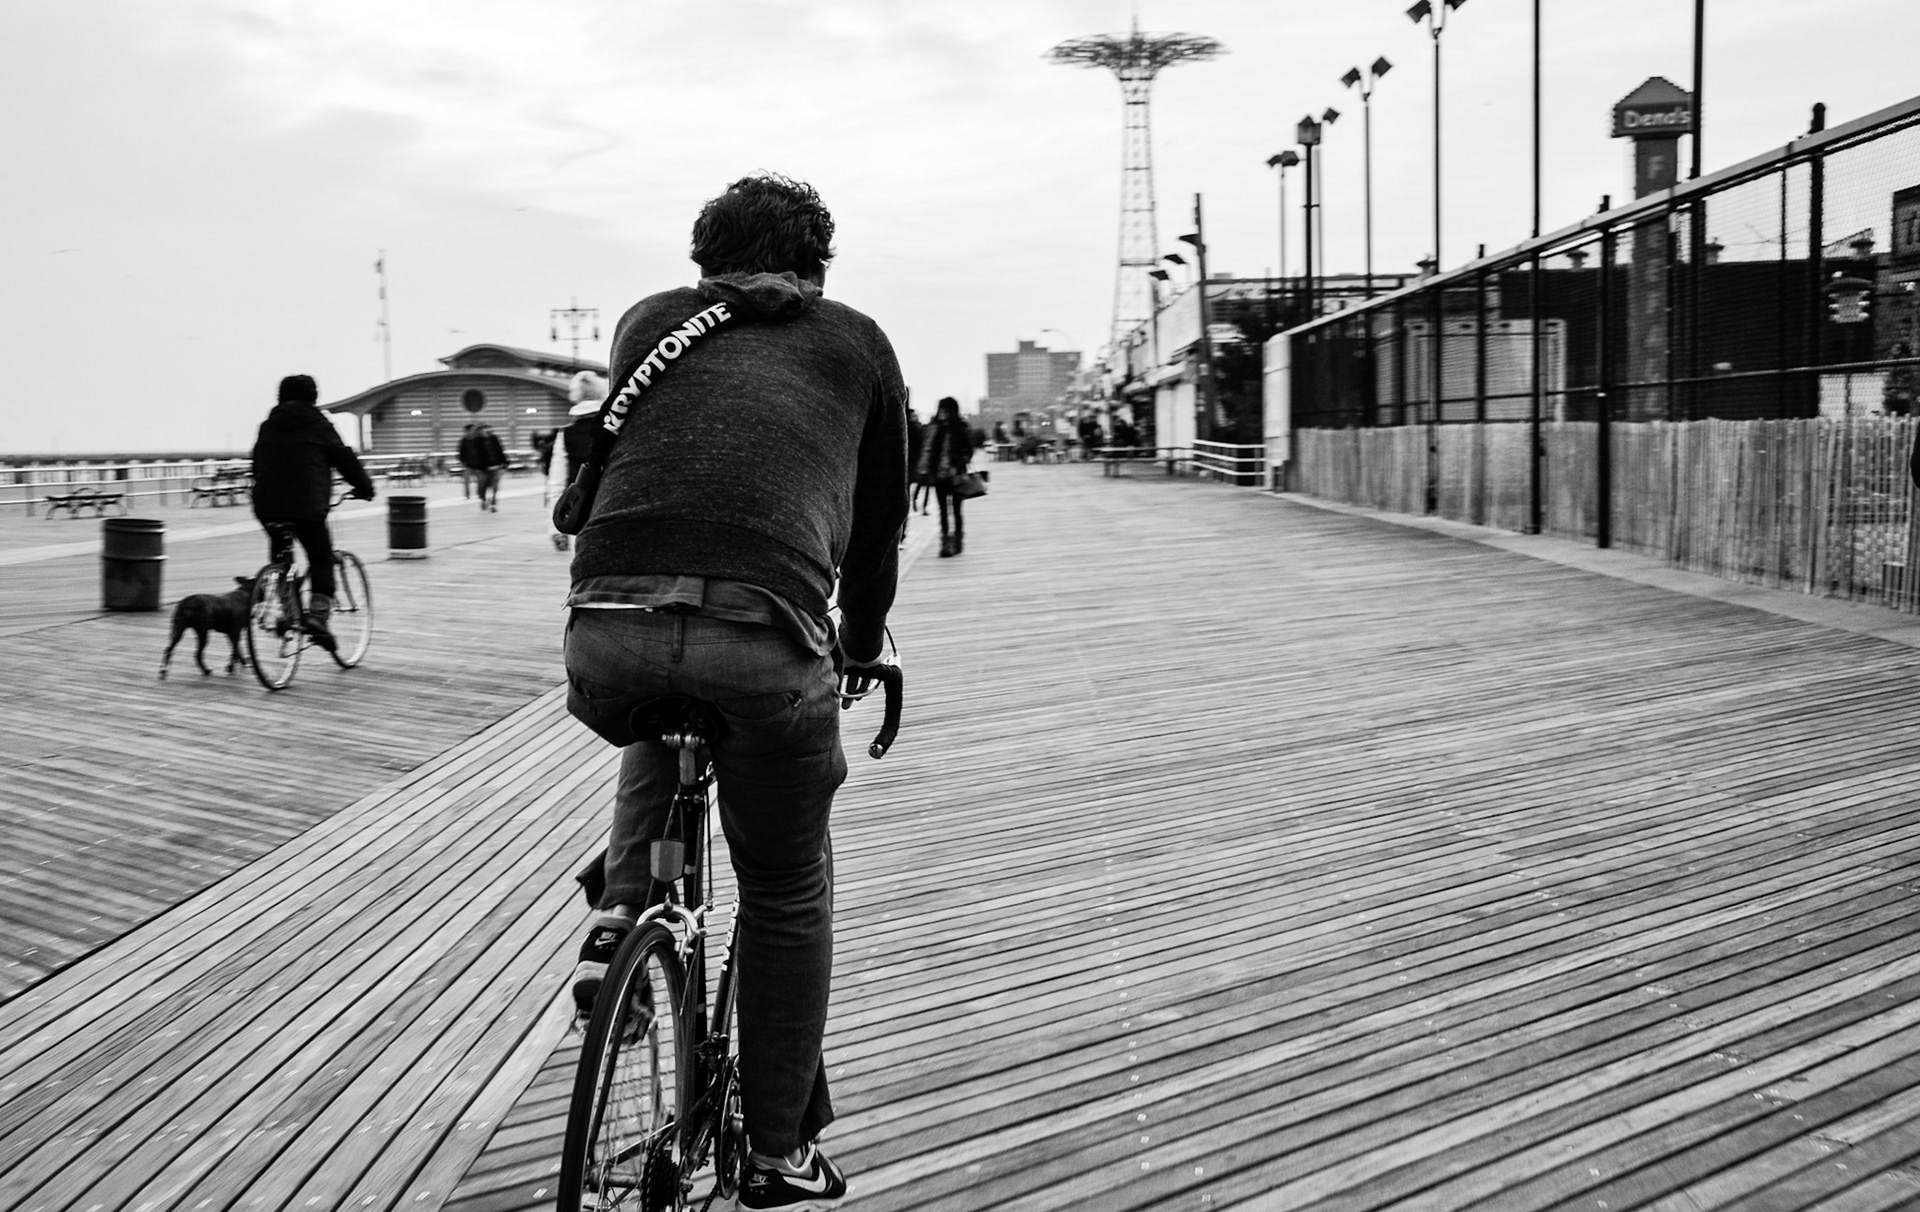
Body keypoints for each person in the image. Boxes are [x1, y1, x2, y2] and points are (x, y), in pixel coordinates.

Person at [562, 172, 905, 1208]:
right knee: (787, 882)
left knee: (662, 705)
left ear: (703, 261)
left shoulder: (648, 324)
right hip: (764, 642)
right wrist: (855, 641)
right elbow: (881, 526)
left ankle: (626, 913)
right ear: (815, 268)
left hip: (605, 631)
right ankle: (774, 1152)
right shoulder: (855, 343)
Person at [250, 374, 376, 651]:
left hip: (267, 506)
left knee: (282, 560)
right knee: (321, 559)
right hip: (307, 507)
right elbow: (344, 459)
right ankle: (317, 616)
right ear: (313, 398)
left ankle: (290, 612)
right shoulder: (319, 425)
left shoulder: (268, 426)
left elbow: (257, 461)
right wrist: (365, 488)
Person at [550, 371, 607, 550]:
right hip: (613, 505)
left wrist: (556, 528)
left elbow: (556, 483)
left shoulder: (566, 434)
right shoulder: (618, 427)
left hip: (581, 510)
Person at [917, 396, 973, 557]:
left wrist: (958, 463)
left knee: (956, 510)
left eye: (945, 410)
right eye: (940, 409)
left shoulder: (960, 429)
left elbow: (968, 451)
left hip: (955, 476)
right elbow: (928, 450)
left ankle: (957, 542)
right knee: (942, 511)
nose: (942, 413)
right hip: (939, 476)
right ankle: (945, 545)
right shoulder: (936, 429)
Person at [459, 420, 508, 511]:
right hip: (482, 468)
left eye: (486, 429)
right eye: (483, 429)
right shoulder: (477, 441)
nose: (486, 431)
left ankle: (493, 502)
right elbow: (474, 455)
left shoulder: (494, 439)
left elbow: (500, 451)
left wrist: (504, 463)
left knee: (495, 485)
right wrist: (472, 465)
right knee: (483, 485)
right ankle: (483, 500)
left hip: (495, 465)